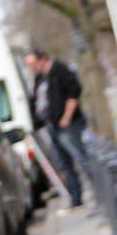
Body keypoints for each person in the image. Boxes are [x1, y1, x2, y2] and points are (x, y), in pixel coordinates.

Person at [23, 48, 92, 215]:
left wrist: (67, 116)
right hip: (51, 127)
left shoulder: (59, 70)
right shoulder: (39, 78)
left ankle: (104, 194)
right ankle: (76, 200)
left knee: (81, 159)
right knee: (64, 165)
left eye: (32, 64)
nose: (31, 68)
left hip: (66, 125)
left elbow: (73, 92)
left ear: (42, 59)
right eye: (28, 66)